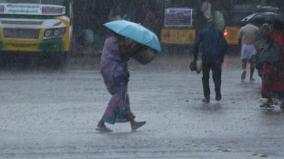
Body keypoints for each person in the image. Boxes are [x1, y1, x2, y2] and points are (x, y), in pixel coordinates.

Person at [96, 33, 146, 132]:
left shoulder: (110, 40)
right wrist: (138, 46)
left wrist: (135, 46)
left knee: (124, 96)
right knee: (118, 96)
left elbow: (125, 51)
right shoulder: (115, 42)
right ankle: (101, 123)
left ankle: (133, 122)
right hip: (114, 71)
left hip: (111, 70)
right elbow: (126, 52)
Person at [192, 17, 228, 103]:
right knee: (217, 77)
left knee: (205, 78)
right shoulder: (219, 33)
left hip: (206, 58)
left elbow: (195, 46)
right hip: (217, 58)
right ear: (215, 25)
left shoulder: (202, 32)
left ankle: (207, 96)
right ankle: (217, 92)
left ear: (207, 24)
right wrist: (221, 57)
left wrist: (195, 58)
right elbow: (225, 45)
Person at [255, 23, 284, 108]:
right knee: (280, 83)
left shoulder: (269, 36)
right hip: (280, 64)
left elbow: (261, 45)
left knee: (267, 83)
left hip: (269, 64)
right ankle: (282, 100)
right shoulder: (281, 37)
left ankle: (269, 100)